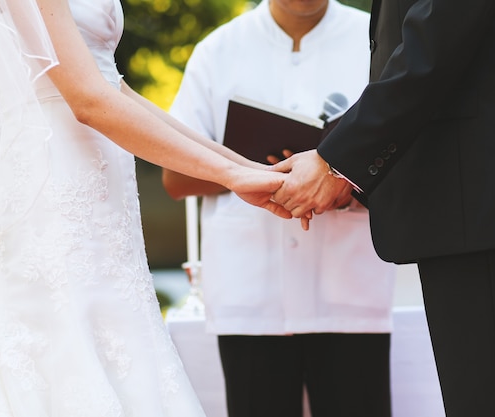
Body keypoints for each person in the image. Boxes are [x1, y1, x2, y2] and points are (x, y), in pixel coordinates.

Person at [271, 0, 495, 416]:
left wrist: (339, 162)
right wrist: (354, 172)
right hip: (479, 200)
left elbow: (434, 41)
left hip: (490, 196)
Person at [0, 0, 290, 415]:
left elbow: (115, 89)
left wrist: (240, 167)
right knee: (65, 345)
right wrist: (230, 176)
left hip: (105, 193)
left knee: (127, 342)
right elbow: (87, 100)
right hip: (54, 185)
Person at [162, 1, 397, 416]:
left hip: (350, 290)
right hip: (252, 293)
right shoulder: (218, 50)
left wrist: (345, 179)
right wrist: (263, 174)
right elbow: (176, 176)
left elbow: (411, 159)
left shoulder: (378, 43)